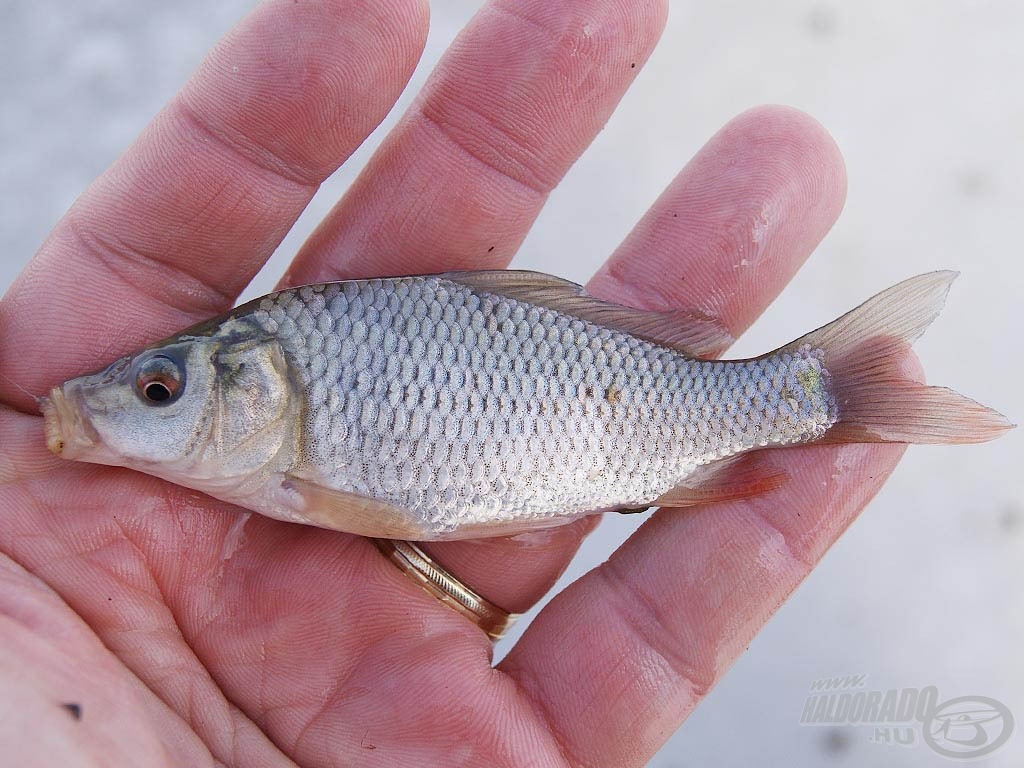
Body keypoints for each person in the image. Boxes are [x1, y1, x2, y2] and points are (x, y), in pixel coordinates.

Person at [0, 0, 906, 764]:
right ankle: (815, 396)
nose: (131, 407)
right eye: (160, 393)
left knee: (789, 398)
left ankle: (819, 394)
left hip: (596, 412)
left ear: (259, 391)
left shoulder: (291, 450)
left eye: (161, 392)